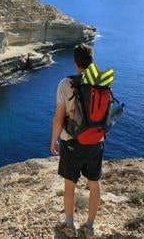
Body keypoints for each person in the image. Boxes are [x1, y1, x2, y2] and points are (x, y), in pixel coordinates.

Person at [51, 44, 104, 239]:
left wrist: (54, 140)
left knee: (70, 185)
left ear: (75, 62)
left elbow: (58, 117)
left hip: (71, 142)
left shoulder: (66, 84)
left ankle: (69, 226)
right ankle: (89, 227)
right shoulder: (103, 83)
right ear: (92, 60)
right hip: (96, 142)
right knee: (94, 184)